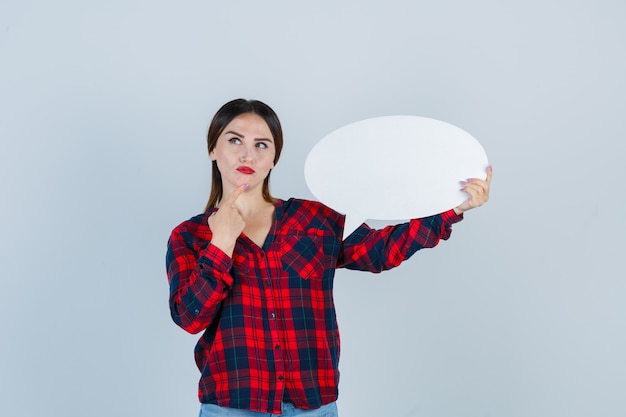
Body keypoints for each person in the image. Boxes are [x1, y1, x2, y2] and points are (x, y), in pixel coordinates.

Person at [166, 99, 492, 417]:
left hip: (312, 405)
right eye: (234, 140)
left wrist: (452, 210)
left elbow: (381, 251)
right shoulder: (189, 236)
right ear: (213, 149)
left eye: (262, 144)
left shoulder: (315, 219)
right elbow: (191, 318)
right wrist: (221, 242)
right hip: (230, 406)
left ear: (274, 158)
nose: (247, 154)